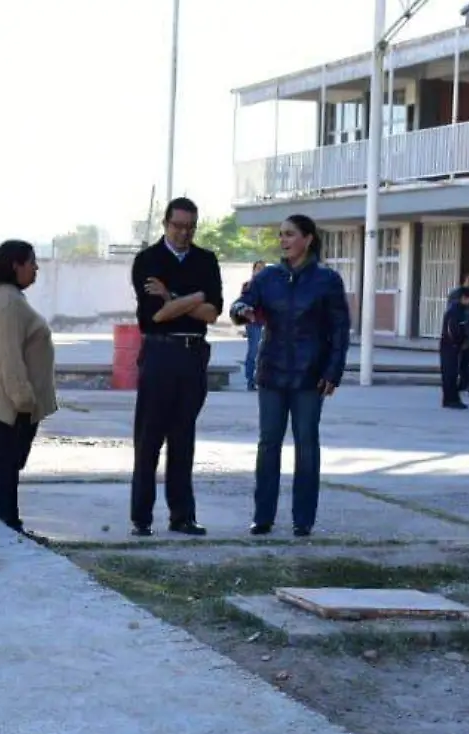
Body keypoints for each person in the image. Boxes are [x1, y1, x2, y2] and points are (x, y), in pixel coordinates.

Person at [230, 214, 349, 538]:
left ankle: (303, 519)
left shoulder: (327, 280)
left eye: (290, 234)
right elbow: (242, 303)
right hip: (272, 372)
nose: (283, 240)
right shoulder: (268, 277)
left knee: (307, 445)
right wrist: (241, 310)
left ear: (308, 238)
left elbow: (340, 330)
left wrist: (333, 371)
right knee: (268, 443)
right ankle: (263, 516)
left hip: (310, 375)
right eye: (281, 235)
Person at [129, 197, 223, 538]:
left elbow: (212, 313)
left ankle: (182, 515)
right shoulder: (148, 260)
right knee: (149, 437)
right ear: (165, 224)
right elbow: (155, 315)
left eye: (190, 228)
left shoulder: (206, 260)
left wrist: (173, 297)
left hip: (192, 355)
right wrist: (192, 298)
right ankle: (142, 517)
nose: (183, 233)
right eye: (177, 226)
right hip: (159, 354)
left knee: (183, 438)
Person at [0, 241, 58, 540]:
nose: (36, 268)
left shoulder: (3, 296)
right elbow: (10, 356)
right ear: (15, 265)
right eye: (31, 262)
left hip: (4, 394)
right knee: (7, 460)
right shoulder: (8, 302)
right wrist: (23, 399)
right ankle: (8, 524)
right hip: (12, 397)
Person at [438, 286, 469, 410]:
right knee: (449, 373)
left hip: (456, 346)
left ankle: (452, 398)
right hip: (450, 346)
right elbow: (452, 330)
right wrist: (458, 342)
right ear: (463, 298)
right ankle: (450, 399)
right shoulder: (454, 311)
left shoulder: (463, 310)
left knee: (454, 373)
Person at [238, 260, 266, 391]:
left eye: (262, 268)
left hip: (266, 322)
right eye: (258, 268)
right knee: (253, 351)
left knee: (264, 352)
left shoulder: (270, 286)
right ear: (253, 270)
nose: (260, 271)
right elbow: (242, 304)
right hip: (253, 323)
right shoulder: (248, 286)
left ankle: (260, 379)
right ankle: (250, 380)